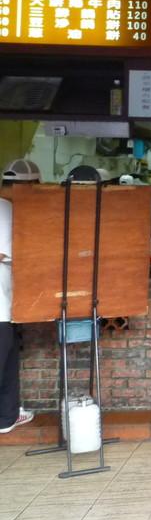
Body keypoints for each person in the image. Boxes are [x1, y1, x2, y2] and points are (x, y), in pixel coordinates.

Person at [0, 159, 38, 434]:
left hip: (8, 305)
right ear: (25, 186)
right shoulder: (6, 210)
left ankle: (7, 416)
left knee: (9, 360)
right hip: (0, 306)